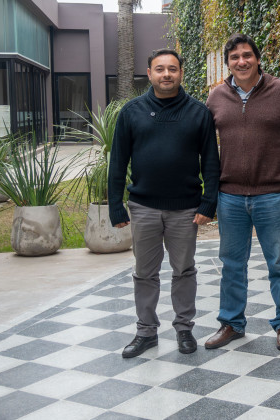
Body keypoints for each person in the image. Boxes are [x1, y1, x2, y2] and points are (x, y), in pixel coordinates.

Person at [108, 48, 220, 358]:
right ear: (149, 73)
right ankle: (146, 332)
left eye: (172, 68)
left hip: (185, 208)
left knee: (183, 270)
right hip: (143, 207)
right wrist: (115, 205)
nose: (166, 74)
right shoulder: (131, 112)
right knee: (145, 272)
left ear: (181, 73)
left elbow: (211, 162)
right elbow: (117, 162)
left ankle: (184, 329)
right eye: (160, 69)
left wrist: (208, 203)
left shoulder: (199, 113)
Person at [205, 33, 280, 351]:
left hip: (273, 193)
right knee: (232, 263)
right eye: (234, 57)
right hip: (230, 195)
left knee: (279, 263)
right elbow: (205, 147)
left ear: (258, 58)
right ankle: (232, 323)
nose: (241, 61)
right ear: (228, 63)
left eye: (247, 55)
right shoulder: (216, 97)